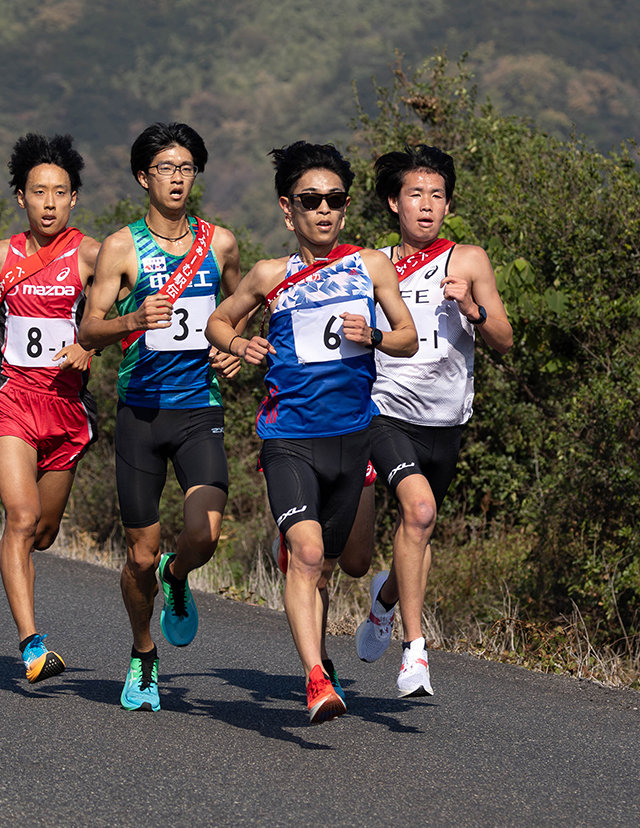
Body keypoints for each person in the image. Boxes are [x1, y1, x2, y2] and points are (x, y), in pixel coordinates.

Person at [207, 141, 417, 724]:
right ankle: (317, 677)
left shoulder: (371, 264)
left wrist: (373, 336)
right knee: (306, 554)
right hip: (288, 437)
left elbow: (407, 336)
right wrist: (239, 342)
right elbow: (217, 320)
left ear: (345, 209)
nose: (323, 210)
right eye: (310, 200)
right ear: (287, 209)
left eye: (334, 200)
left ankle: (306, 588)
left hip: (353, 437)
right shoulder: (271, 274)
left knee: (345, 563)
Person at [78, 122, 242, 712]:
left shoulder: (220, 242)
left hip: (199, 409)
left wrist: (232, 344)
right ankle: (144, 653)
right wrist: (131, 320)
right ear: (144, 177)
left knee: (205, 533)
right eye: (165, 169)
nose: (177, 179)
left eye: (186, 169)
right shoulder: (122, 247)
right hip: (141, 415)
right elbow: (88, 329)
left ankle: (179, 573)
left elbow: (240, 305)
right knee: (138, 556)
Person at [355, 145, 513, 697]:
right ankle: (415, 651)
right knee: (418, 512)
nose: (426, 206)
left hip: (446, 423)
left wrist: (473, 309)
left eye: (437, 195)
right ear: (393, 202)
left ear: (448, 204)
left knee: (417, 532)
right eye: (415, 194)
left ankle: (384, 600)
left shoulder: (468, 261)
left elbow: (505, 341)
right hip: (385, 412)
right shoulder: (368, 264)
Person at [0, 133, 100, 683]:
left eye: (60, 193)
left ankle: (16, 565)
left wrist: (91, 346)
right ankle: (31, 644)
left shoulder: (90, 254)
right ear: (21, 197)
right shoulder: (4, 255)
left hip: (65, 409)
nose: (49, 203)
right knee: (19, 519)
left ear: (73, 199)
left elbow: (125, 316)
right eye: (38, 192)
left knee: (43, 532)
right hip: (11, 400)